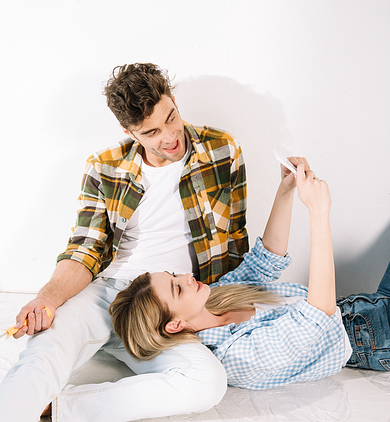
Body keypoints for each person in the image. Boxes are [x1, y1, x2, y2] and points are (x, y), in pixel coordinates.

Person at [0, 62, 248, 422]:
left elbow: (235, 243)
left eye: (171, 117)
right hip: (110, 292)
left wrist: (220, 310)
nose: (169, 137)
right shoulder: (104, 167)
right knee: (46, 350)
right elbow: (85, 248)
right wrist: (47, 298)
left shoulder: (222, 150)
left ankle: (52, 407)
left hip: (169, 305)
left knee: (208, 382)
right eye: (151, 131)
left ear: (173, 99)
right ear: (129, 131)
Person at [110, 158, 390, 389]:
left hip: (364, 306)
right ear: (175, 325)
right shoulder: (237, 357)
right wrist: (318, 212)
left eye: (174, 275)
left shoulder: (215, 299)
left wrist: (285, 190)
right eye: (177, 288)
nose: (186, 277)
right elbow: (319, 314)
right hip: (373, 339)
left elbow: (264, 261)